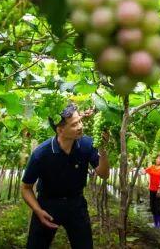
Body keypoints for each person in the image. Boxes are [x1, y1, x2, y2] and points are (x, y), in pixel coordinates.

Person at [21, 104, 110, 248]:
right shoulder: (41, 153)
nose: (80, 126)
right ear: (60, 130)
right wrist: (38, 211)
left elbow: (104, 174)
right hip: (47, 205)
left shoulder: (87, 144)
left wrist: (103, 149)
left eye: (80, 121)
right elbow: (26, 188)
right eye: (74, 124)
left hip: (76, 204)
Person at [145, 156, 160, 229]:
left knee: (158, 208)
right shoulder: (152, 167)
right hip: (152, 189)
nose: (158, 160)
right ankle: (155, 224)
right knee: (152, 207)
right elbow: (144, 171)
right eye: (157, 158)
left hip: (159, 191)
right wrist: (135, 170)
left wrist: (159, 189)